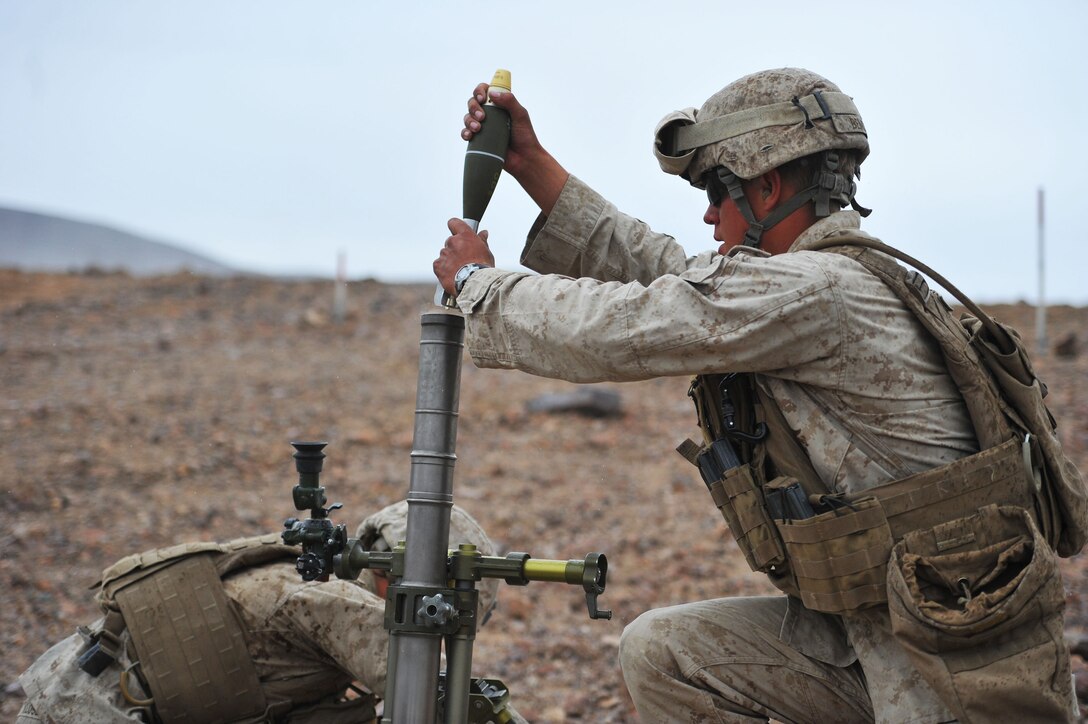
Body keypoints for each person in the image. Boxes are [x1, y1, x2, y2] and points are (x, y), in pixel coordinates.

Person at [434, 68, 1081, 722]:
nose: (710, 213)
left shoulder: (817, 291)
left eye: (719, 190)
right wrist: (531, 165)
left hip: (956, 683)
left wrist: (480, 284)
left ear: (768, 186)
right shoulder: (823, 281)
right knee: (664, 651)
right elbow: (674, 276)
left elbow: (632, 326)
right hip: (882, 638)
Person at [16, 501, 517, 723]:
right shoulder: (338, 604)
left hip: (68, 690)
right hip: (87, 710)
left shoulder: (316, 578)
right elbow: (433, 701)